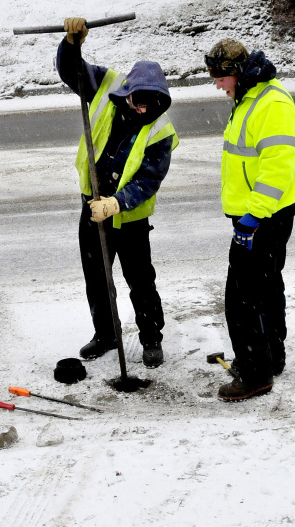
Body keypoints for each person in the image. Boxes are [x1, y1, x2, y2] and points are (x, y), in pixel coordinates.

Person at [57, 17, 178, 368]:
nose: (141, 110)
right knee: (96, 277)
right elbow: (71, 71)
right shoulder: (106, 87)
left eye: (149, 105)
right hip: (91, 206)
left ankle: (151, 338)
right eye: (136, 102)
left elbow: (148, 180)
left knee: (140, 280)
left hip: (130, 217)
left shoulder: (160, 131)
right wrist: (71, 44)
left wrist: (116, 203)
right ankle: (107, 334)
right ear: (127, 94)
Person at [205, 39, 295, 400]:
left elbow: (278, 168)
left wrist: (252, 217)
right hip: (258, 214)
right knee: (265, 285)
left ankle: (255, 374)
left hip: (263, 216)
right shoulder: (248, 96)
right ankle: (271, 357)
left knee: (242, 296)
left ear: (236, 72)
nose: (216, 84)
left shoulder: (272, 103)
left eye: (219, 77)